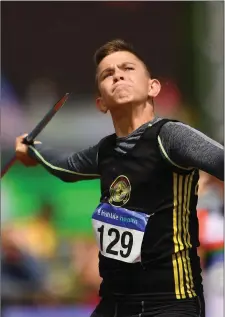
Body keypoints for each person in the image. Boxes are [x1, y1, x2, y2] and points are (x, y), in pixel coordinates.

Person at [15, 39, 224, 317]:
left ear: (153, 87)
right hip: (114, 304)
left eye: (128, 68)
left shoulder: (170, 137)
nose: (117, 74)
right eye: (107, 73)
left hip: (169, 305)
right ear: (100, 102)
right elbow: (66, 166)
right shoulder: (106, 151)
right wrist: (33, 151)